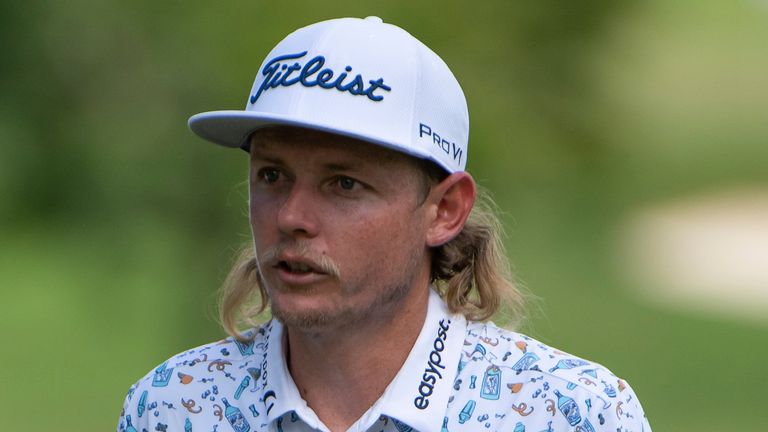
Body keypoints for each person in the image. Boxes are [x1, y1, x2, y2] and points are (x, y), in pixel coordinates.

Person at [117, 16, 650, 432]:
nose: (290, 217)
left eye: (344, 183)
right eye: (273, 175)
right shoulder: (172, 408)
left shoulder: (568, 414)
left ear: (444, 210)